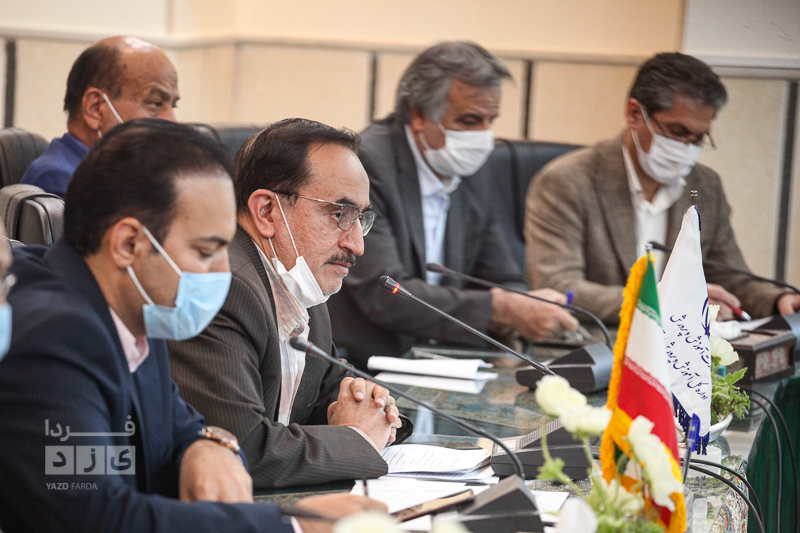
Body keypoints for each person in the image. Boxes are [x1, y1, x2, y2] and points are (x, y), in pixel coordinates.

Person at [0, 119, 384, 532]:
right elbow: (98, 519)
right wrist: (296, 526)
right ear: (129, 244)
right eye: (205, 251)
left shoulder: (135, 314)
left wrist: (207, 444)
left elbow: (183, 425)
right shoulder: (56, 339)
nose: (222, 271)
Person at [167, 118, 408, 489]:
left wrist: (376, 408)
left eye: (361, 219)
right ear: (266, 211)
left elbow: (332, 392)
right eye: (340, 214)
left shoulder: (301, 284)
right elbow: (243, 448)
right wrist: (358, 440)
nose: (357, 245)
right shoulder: (223, 288)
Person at [327, 41, 578, 368]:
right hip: (371, 361)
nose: (483, 137)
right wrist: (502, 309)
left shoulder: (469, 168)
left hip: (454, 356)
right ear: (419, 115)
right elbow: (385, 293)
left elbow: (502, 274)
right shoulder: (369, 164)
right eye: (470, 121)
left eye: (490, 120)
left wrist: (525, 303)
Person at [525, 52, 800, 324]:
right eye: (677, 132)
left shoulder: (705, 186)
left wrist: (777, 300)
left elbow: (730, 278)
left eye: (698, 138)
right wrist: (661, 301)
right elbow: (558, 286)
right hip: (604, 342)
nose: (686, 148)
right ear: (634, 113)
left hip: (683, 344)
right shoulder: (567, 181)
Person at [21, 36, 179, 196]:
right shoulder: (61, 179)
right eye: (155, 103)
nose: (171, 121)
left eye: (173, 105)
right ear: (95, 109)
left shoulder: (124, 172)